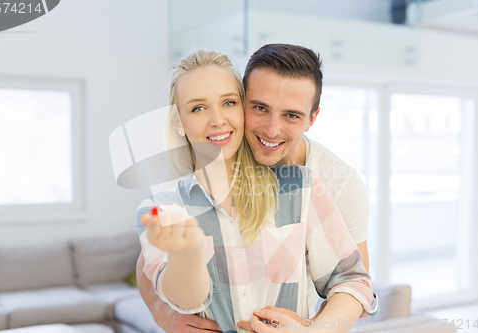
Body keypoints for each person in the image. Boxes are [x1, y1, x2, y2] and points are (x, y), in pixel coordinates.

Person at [136, 50, 377, 333]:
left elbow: (354, 283)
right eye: (260, 108)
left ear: (312, 119)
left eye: (291, 115)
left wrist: (313, 329)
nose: (272, 129)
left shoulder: (322, 185)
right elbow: (153, 269)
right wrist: (163, 310)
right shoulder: (171, 196)